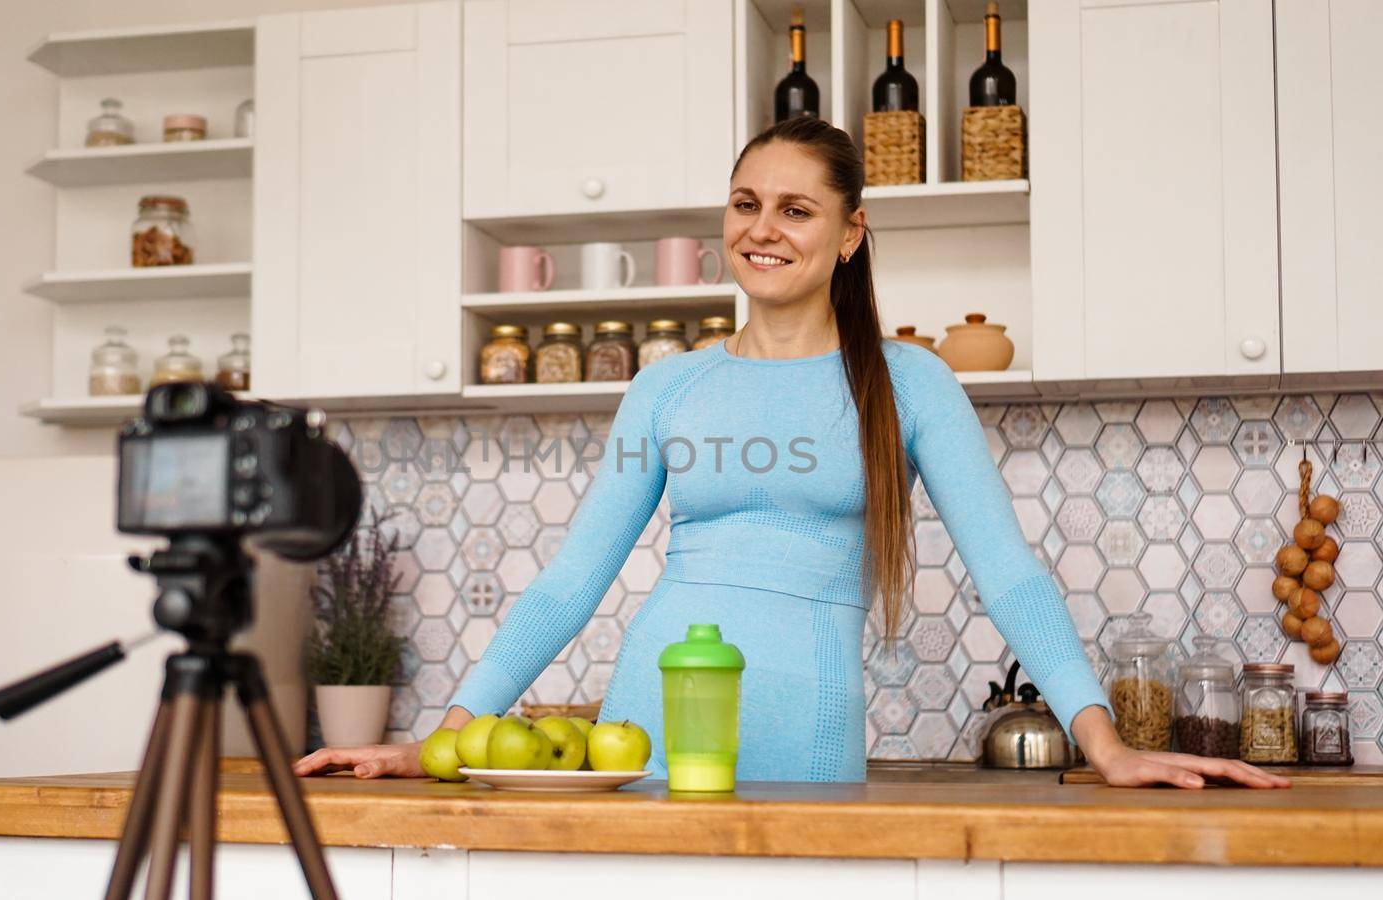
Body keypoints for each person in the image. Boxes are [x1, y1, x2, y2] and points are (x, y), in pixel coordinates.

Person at [295, 117, 1289, 790]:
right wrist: (441, 737)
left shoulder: (908, 382)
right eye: (743, 203)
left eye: (794, 209)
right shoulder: (665, 385)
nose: (760, 229)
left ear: (852, 232)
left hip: (806, 732)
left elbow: (1011, 576)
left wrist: (1103, 742)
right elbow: (567, 586)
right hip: (647, 727)